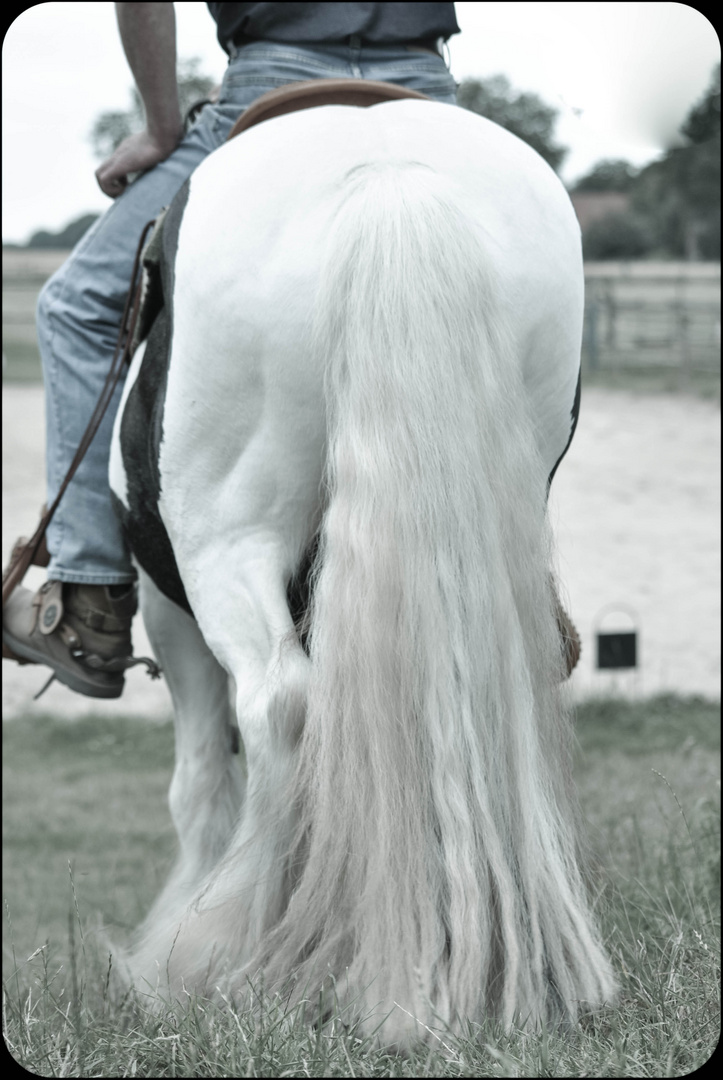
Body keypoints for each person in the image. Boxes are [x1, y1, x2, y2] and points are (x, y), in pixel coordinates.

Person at [2, 2, 460, 699]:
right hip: (426, 82)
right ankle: (519, 581)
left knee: (78, 307)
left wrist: (161, 126)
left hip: (273, 79)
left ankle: (89, 601)